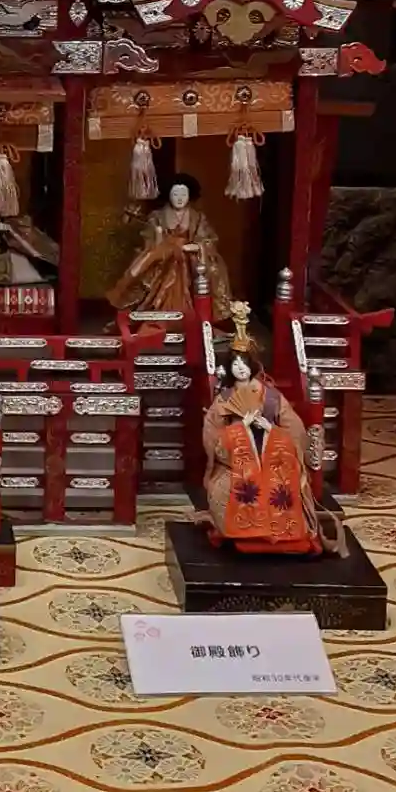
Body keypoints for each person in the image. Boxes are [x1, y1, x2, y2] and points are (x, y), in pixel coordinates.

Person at [200, 344, 322, 555]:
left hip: (273, 456)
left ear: (253, 366)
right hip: (235, 461)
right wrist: (240, 429)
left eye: (244, 363)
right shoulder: (224, 399)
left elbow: (294, 430)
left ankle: (283, 535)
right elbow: (213, 436)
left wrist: (271, 430)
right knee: (231, 486)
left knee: (283, 483)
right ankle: (243, 534)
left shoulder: (272, 397)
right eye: (235, 364)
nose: (240, 368)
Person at [107, 172, 233, 319]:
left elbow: (208, 239)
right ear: (169, 195)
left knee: (208, 267)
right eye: (175, 194)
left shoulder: (197, 217)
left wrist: (196, 246)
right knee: (149, 263)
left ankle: (194, 317)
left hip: (189, 257)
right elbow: (150, 242)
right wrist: (159, 235)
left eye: (183, 194)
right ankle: (154, 310)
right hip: (164, 255)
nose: (179, 198)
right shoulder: (157, 216)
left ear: (189, 195)